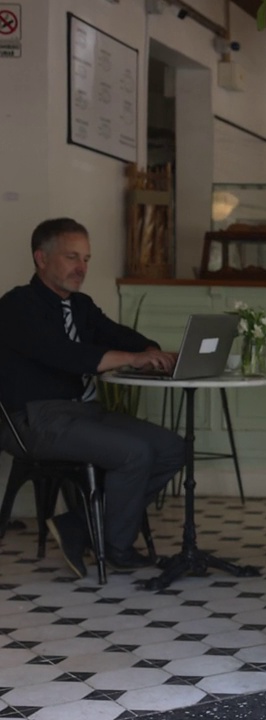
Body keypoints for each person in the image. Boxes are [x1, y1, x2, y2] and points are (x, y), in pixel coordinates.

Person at [0, 218, 185, 578]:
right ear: (41, 257)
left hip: (85, 412)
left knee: (172, 448)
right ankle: (115, 547)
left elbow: (120, 335)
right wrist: (132, 359)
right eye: (72, 257)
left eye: (86, 258)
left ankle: (79, 525)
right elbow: (67, 355)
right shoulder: (16, 306)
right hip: (34, 419)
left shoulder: (81, 306)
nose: (81, 268)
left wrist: (150, 351)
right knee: (135, 452)